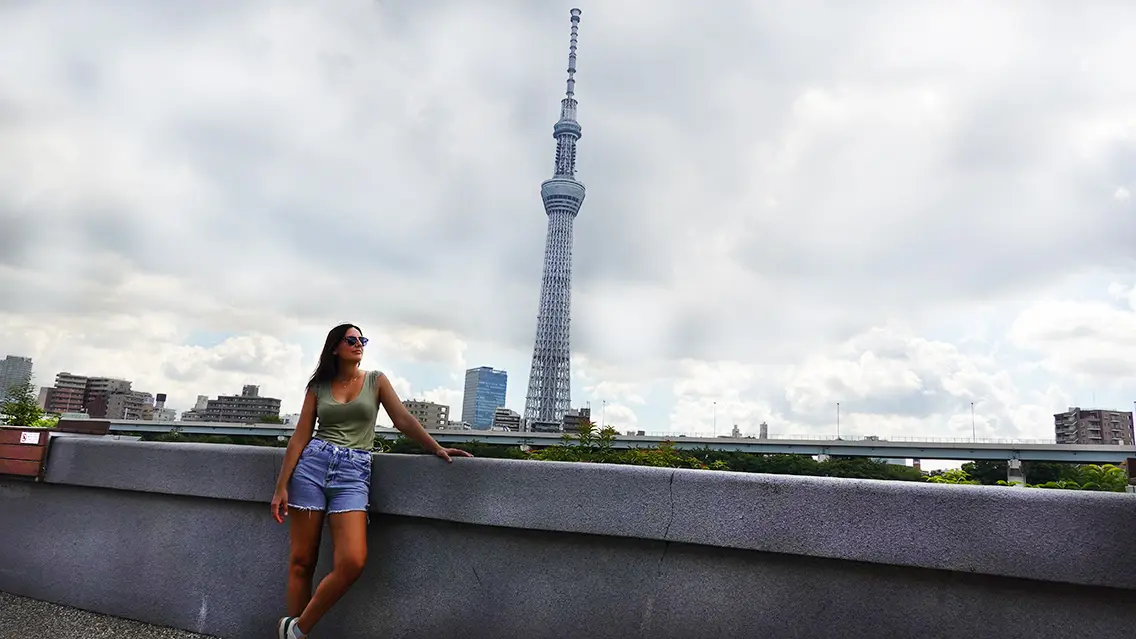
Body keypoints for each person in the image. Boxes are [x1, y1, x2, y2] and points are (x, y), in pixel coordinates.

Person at [270, 323, 473, 639]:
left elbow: (402, 419)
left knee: (353, 560)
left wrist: (436, 447)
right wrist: (282, 486)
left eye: (361, 339)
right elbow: (300, 437)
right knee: (301, 561)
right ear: (335, 347)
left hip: (353, 474)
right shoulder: (318, 387)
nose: (358, 344)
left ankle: (295, 629)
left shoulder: (376, 381)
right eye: (351, 339)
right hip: (312, 467)